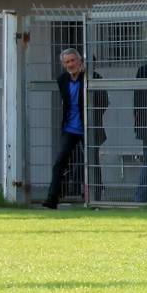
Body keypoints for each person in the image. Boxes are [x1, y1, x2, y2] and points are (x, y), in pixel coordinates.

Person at [42, 48, 95, 209]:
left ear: (80, 61)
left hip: (89, 126)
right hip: (70, 128)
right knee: (60, 162)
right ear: (64, 65)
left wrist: (93, 119)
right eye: (67, 62)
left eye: (73, 60)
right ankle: (52, 199)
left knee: (93, 162)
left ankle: (95, 199)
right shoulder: (62, 80)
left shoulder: (90, 78)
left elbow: (103, 100)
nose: (71, 64)